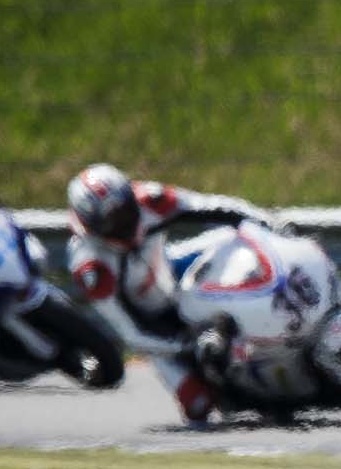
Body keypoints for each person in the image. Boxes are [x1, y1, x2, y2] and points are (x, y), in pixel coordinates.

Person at [65, 163, 276, 421]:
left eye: (125, 210)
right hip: (155, 329)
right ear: (93, 226)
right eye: (112, 220)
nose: (125, 222)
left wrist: (267, 222)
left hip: (175, 276)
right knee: (197, 405)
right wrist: (186, 344)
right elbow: (131, 333)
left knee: (236, 239)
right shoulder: (91, 265)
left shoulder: (150, 199)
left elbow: (211, 206)